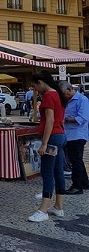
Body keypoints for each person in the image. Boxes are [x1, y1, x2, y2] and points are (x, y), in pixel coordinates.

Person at [28, 71, 67, 222]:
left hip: (52, 138)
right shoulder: (58, 94)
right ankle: (58, 207)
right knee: (58, 172)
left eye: (35, 86)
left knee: (47, 172)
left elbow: (49, 121)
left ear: (41, 82)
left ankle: (43, 210)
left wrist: (44, 144)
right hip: (60, 136)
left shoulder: (49, 96)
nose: (35, 89)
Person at [58, 81, 89, 195]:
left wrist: (65, 119)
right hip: (69, 134)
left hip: (78, 134)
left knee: (75, 161)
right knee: (77, 160)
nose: (64, 97)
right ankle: (85, 183)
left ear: (70, 89)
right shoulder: (67, 101)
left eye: (64, 94)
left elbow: (82, 118)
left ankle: (77, 186)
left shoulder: (82, 100)